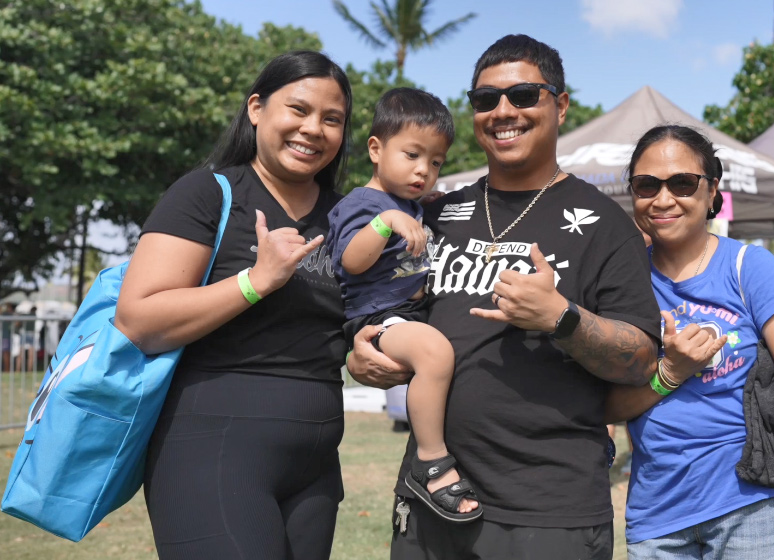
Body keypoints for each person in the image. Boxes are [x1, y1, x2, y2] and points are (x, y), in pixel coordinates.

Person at [374, 34, 662, 560]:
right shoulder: (434, 214)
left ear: (561, 105)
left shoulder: (605, 224)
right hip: (432, 499)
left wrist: (561, 318)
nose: (503, 111)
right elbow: (386, 309)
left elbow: (641, 359)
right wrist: (365, 351)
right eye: (486, 100)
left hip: (549, 513)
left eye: (524, 95)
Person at [114, 50, 406, 560]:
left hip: (315, 465)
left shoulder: (349, 217)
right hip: (211, 450)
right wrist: (256, 281)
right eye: (298, 109)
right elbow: (138, 319)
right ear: (256, 108)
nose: (313, 128)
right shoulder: (207, 193)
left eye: (332, 119)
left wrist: (361, 350)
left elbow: (348, 318)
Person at [605, 125, 774, 560]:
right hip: (655, 520)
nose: (663, 198)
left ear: (712, 190)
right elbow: (605, 407)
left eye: (682, 182)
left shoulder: (749, 267)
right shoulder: (623, 282)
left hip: (752, 510)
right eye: (646, 185)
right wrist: (669, 373)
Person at [326, 88, 480, 522]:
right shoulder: (364, 204)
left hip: (407, 313)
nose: (423, 170)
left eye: (436, 162)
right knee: (434, 352)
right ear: (376, 149)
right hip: (378, 316)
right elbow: (352, 261)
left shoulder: (410, 205)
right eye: (412, 155)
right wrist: (385, 222)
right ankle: (430, 461)